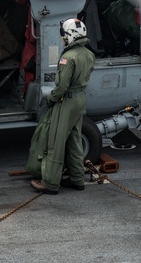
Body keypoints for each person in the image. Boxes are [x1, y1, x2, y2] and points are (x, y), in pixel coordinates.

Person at [29, 18, 95, 195]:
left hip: (67, 100)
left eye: (64, 36)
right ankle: (77, 178)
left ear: (70, 36)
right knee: (74, 139)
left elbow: (61, 87)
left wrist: (51, 99)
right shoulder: (88, 54)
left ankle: (50, 182)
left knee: (55, 142)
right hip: (80, 99)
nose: (63, 39)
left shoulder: (67, 57)